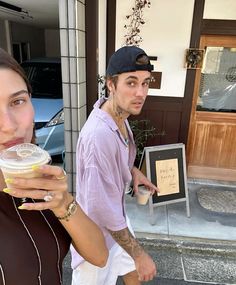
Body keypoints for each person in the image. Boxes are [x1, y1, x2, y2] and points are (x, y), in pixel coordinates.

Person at [0, 47, 108, 285]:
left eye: (17, 101)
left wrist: (63, 202)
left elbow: (99, 256)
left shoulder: (42, 176)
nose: (9, 125)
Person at [71, 46, 159, 285]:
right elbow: (100, 207)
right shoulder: (99, 135)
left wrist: (132, 171)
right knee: (136, 264)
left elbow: (113, 160)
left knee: (133, 272)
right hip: (94, 233)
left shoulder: (116, 115)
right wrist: (139, 253)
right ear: (111, 84)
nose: (140, 92)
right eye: (131, 83)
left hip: (115, 217)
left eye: (145, 83)